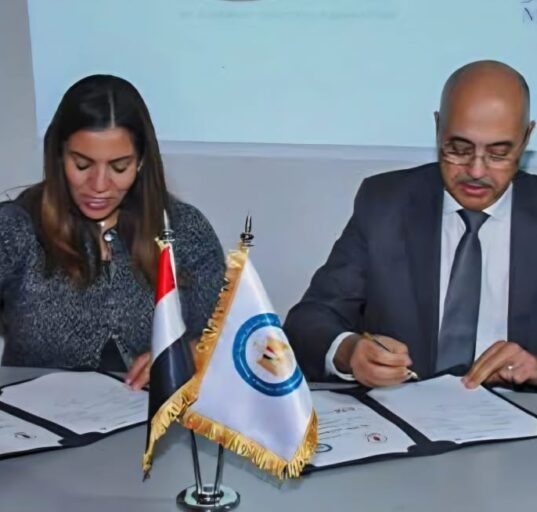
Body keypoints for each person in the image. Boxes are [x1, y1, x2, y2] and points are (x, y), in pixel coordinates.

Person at [284, 60, 537, 389]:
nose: (476, 171)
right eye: (458, 149)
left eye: (498, 153)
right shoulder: (386, 204)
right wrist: (350, 352)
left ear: (526, 138)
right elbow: (309, 321)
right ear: (438, 128)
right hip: (406, 412)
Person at [0, 75, 225, 390]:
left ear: (141, 161)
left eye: (119, 167)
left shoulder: (185, 230)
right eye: (82, 165)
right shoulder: (14, 229)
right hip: (32, 418)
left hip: (154, 416)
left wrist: (188, 354)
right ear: (59, 155)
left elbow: (230, 338)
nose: (99, 185)